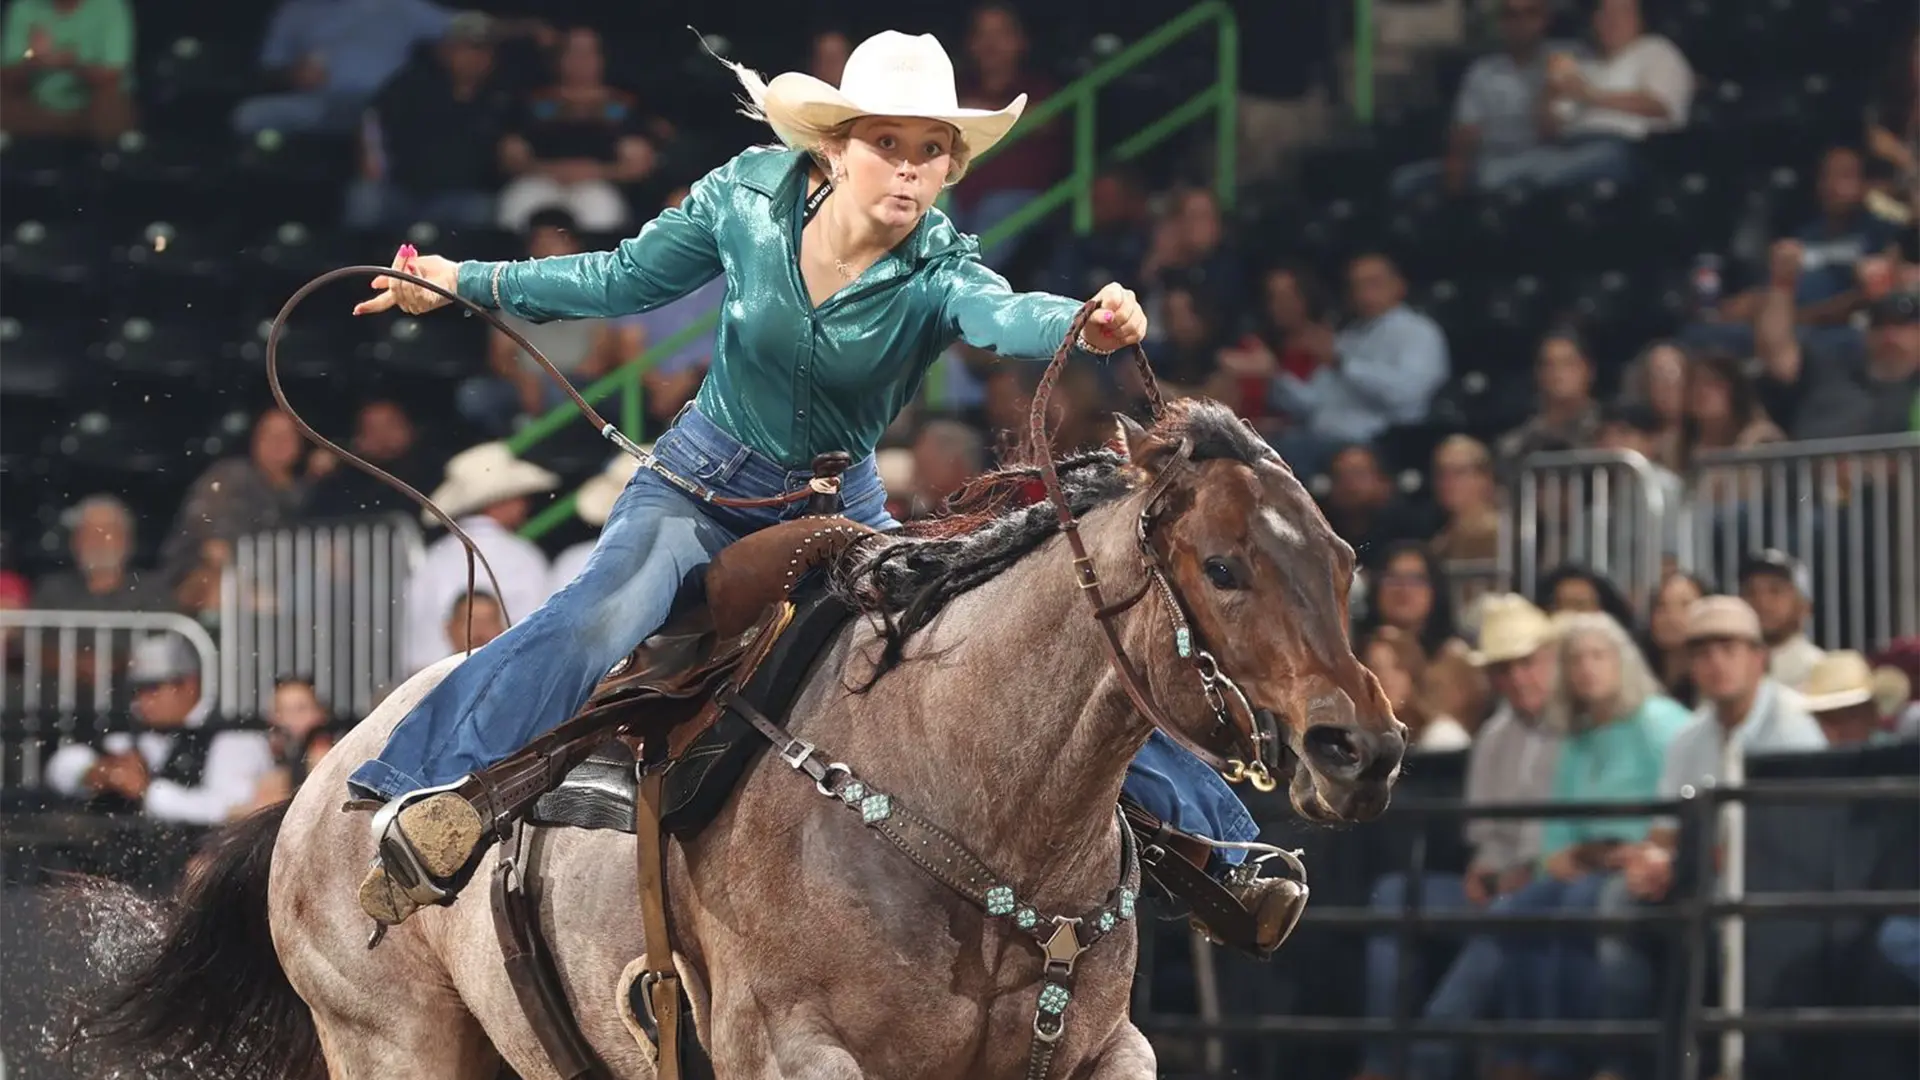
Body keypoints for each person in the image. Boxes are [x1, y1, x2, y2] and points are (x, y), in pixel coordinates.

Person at [342, 30, 1288, 954]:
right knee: (604, 612)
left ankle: (1229, 853)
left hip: (842, 509)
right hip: (699, 488)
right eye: (888, 144)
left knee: (982, 644)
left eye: (932, 151)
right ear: (833, 149)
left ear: (951, 170)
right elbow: (620, 277)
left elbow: (1003, 313)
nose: (910, 170)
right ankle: (426, 790)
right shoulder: (746, 196)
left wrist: (1081, 320)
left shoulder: (939, 265)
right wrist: (462, 279)